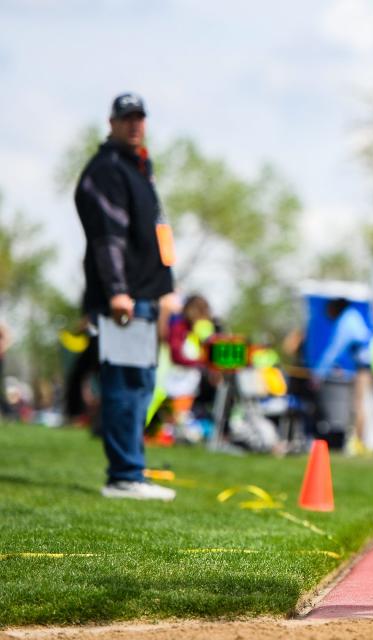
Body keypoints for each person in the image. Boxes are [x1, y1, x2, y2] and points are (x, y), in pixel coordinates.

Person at [74, 92, 176, 501]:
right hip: (125, 299)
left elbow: (157, 234)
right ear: (112, 123)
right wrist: (117, 291)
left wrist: (168, 287)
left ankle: (131, 470)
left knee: (141, 385)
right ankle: (123, 475)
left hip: (148, 295)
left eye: (140, 117)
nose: (135, 124)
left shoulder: (138, 168)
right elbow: (107, 237)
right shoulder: (107, 169)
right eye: (127, 118)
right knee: (125, 383)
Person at [313, 298, 373, 456]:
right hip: (364, 366)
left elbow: (335, 349)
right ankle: (359, 442)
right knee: (360, 405)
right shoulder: (353, 317)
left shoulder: (346, 320)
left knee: (358, 405)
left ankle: (358, 443)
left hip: (363, 368)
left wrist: (319, 371)